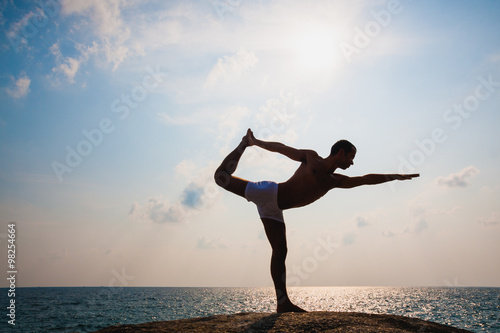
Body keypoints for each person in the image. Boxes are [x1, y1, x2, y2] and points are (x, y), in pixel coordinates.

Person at [214, 129, 419, 313]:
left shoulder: (334, 181)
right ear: (340, 152)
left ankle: (282, 303)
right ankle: (243, 143)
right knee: (221, 177)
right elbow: (283, 149)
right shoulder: (311, 158)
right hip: (269, 193)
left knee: (280, 251)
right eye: (351, 157)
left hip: (275, 209)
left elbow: (366, 179)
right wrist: (255, 142)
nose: (352, 162)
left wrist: (396, 176)